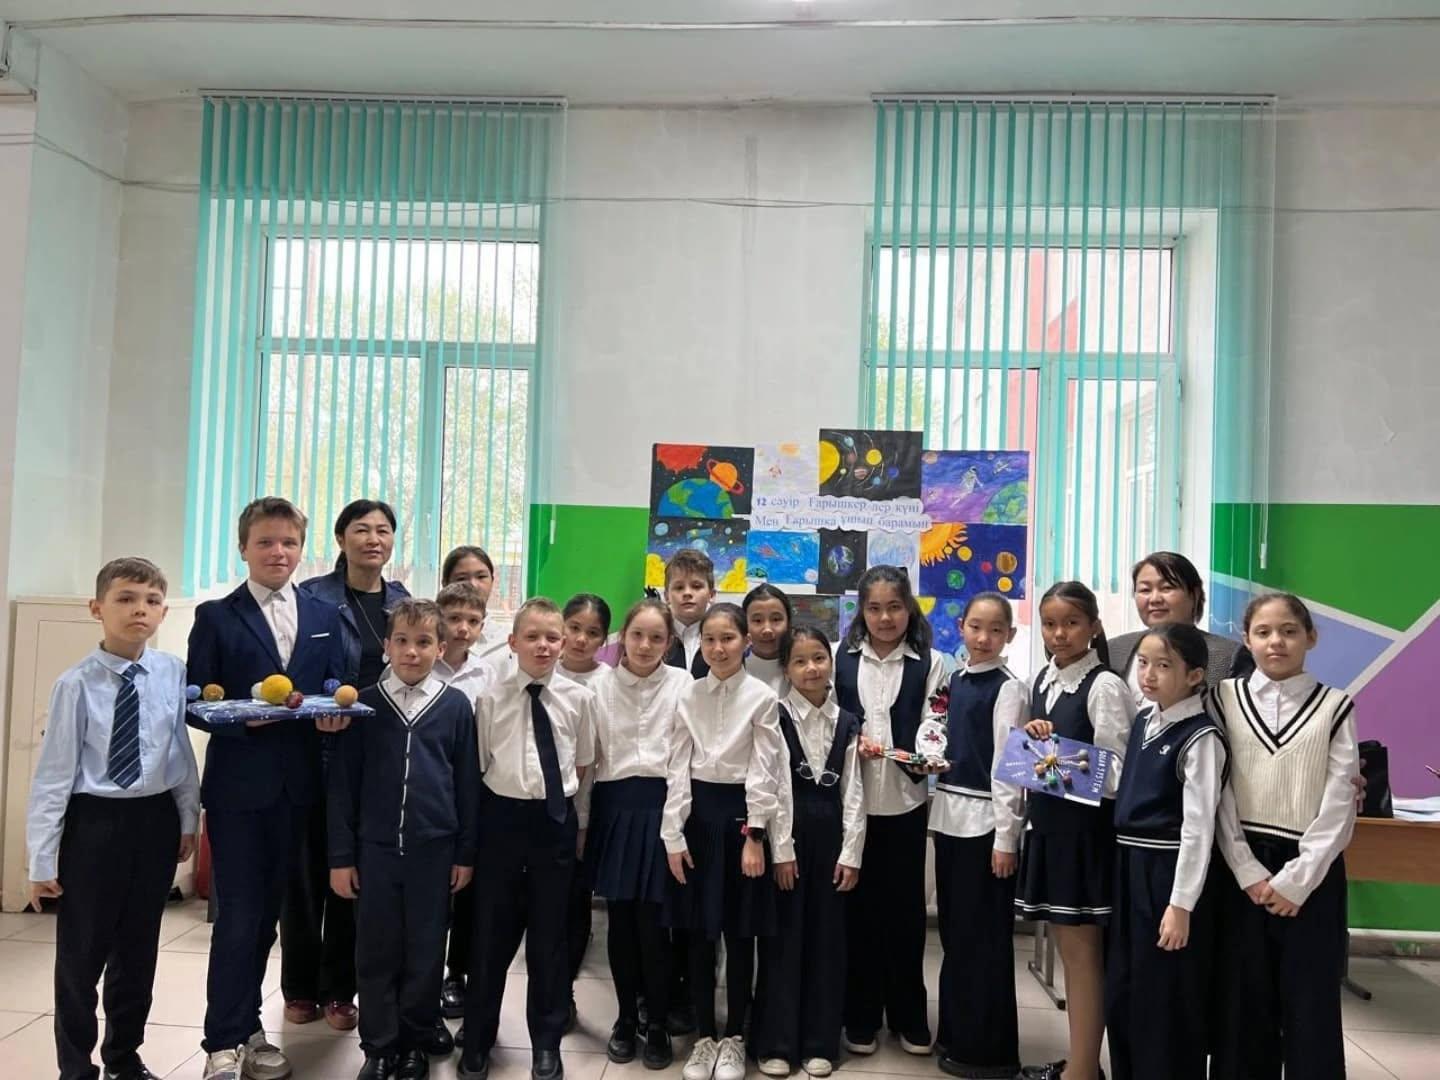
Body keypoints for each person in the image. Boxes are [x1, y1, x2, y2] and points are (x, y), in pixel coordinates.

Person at [185, 497, 348, 1080]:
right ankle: (221, 1042)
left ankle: (249, 1026)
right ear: (243, 548)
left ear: (302, 549)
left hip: (299, 790)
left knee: (267, 919)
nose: (278, 552)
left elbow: (331, 683)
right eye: (266, 542)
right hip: (239, 789)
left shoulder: (323, 611)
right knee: (238, 916)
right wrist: (240, 718)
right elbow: (195, 700)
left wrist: (334, 712)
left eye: (289, 543)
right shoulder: (216, 616)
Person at [26, 557, 200, 1080]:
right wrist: (41, 859)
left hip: (154, 819)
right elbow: (53, 776)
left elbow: (179, 751)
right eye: (125, 599)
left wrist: (187, 818)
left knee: (138, 950)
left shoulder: (171, 671)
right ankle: (76, 1067)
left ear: (163, 612)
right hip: (96, 824)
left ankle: (125, 1057)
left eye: (151, 601)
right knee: (82, 954)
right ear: (97, 608)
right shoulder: (75, 684)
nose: (138, 610)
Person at [329, 599, 480, 1080]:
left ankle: (414, 1040)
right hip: (374, 853)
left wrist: (464, 852)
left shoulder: (455, 706)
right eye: (402, 641)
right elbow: (343, 787)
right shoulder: (364, 705)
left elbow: (466, 785)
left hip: (434, 852)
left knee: (426, 951)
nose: (412, 652)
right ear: (386, 646)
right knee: (375, 952)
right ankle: (379, 1045)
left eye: (423, 642)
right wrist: (341, 856)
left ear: (441, 649)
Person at [1211, 594, 1358, 1080]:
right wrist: (1247, 869)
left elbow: (1340, 800)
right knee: (1241, 1003)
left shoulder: (1335, 706)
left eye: (1290, 631)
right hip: (1240, 868)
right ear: (1247, 639)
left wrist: (1299, 880)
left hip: (1311, 875)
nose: (1277, 641)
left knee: (1310, 1003)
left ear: (1311, 637)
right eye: (1264, 632)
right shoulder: (1223, 699)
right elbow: (1218, 792)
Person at [458, 599, 598, 1080]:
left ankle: (546, 1043)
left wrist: (574, 824)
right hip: (501, 821)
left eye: (552, 637)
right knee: (490, 938)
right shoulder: (490, 698)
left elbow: (582, 763)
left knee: (549, 939)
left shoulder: (579, 698)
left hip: (553, 823)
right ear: (512, 642)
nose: (543, 646)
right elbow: (480, 765)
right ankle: (477, 1039)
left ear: (563, 643)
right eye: (532, 637)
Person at [289, 499, 410, 1034]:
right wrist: (317, 708)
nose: (373, 539)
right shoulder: (311, 597)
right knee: (306, 870)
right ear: (341, 539)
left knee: (352, 872)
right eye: (362, 529)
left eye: (383, 530)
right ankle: (299, 986)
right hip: (315, 748)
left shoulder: (402, 601)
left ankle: (340, 989)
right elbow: (295, 669)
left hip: (374, 752)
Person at [1014, 581, 1134, 1080]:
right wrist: (1031, 743)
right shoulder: (1043, 679)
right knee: (1070, 953)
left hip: (1085, 838)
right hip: (1050, 831)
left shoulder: (1104, 686)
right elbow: (1030, 757)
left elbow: (1118, 775)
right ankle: (1080, 1064)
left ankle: (1083, 1070)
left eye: (1071, 623)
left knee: (1084, 958)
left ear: (1094, 627)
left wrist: (1047, 756)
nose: (1059, 633)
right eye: (1049, 624)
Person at [663, 604, 782, 1080]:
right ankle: (704, 1037)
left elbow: (765, 769)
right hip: (697, 820)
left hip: (741, 822)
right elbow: (677, 766)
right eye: (710, 640)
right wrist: (673, 834)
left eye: (728, 638)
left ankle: (734, 1036)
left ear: (745, 642)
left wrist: (755, 834)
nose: (718, 648)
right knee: (697, 933)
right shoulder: (688, 695)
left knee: (739, 932)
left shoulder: (762, 697)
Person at [1105, 624, 1227, 1080]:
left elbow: (1199, 829)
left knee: (1165, 996)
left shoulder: (1200, 737)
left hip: (1166, 874)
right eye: (1143, 663)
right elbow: (1118, 782)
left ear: (1194, 676)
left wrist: (1181, 905)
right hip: (1128, 866)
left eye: (1163, 665)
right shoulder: (1144, 720)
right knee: (1125, 988)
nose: (1149, 675)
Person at [836, 566, 948, 1058]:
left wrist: (925, 753)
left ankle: (908, 1014)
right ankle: (860, 1014)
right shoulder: (839, 658)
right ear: (861, 611)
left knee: (905, 915)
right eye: (874, 608)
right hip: (852, 806)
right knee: (857, 914)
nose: (885, 618)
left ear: (909, 609)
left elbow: (935, 723)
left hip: (906, 804)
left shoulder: (932, 662)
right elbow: (830, 720)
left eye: (894, 607)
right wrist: (851, 742)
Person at [755, 627, 865, 1079]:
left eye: (819, 658)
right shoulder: (775, 715)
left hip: (832, 839)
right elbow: (775, 785)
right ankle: (777, 1042)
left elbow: (854, 791)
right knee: (782, 940)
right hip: (790, 837)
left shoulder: (848, 721)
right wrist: (781, 851)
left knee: (828, 941)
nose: (811, 668)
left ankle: (821, 1041)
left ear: (831, 663)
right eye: (799, 661)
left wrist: (852, 853)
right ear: (785, 669)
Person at [585, 598, 690, 1070]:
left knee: (656, 925)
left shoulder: (683, 684)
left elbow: (685, 761)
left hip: (665, 810)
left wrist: (675, 827)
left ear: (669, 643)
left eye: (656, 637)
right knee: (621, 922)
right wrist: (584, 825)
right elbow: (590, 763)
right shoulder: (598, 687)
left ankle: (659, 1021)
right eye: (637, 635)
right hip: (615, 810)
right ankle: (626, 1018)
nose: (645, 645)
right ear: (622, 638)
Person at [930, 593, 1027, 1080]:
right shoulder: (956, 680)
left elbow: (1010, 768)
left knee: (983, 940)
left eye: (995, 629)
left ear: (1010, 634)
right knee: (956, 936)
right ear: (961, 628)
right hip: (950, 819)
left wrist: (1006, 839)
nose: (984, 638)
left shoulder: (1010, 688)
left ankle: (986, 1051)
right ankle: (955, 1033)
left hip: (986, 827)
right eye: (975, 627)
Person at [559, 594, 613, 1032]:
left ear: (604, 640)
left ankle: (564, 995)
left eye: (592, 633)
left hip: (586, 810)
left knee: (574, 906)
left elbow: (595, 761)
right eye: (574, 627)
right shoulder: (540, 668)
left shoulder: (607, 682)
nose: (580, 639)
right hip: (533, 812)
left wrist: (582, 822)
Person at [1107, 552, 1241, 702]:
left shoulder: (1229, 656)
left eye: (1166, 588)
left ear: (1195, 595)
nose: (1155, 599)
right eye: (1145, 590)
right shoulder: (1114, 649)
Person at [441, 546, 510, 661]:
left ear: (492, 581)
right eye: (461, 578)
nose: (473, 585)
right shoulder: (427, 637)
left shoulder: (507, 641)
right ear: (445, 583)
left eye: (481, 577)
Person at [434, 583, 496, 705]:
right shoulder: (421, 666)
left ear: (481, 627)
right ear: (437, 621)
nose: (463, 628)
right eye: (454, 618)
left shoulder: (485, 673)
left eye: (473, 621)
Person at [663, 549, 715, 679]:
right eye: (679, 587)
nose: (687, 593)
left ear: (711, 595)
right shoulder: (656, 636)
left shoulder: (722, 637)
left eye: (696, 586)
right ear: (666, 596)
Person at [743, 584, 792, 695]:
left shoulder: (805, 667)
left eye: (776, 619)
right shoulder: (734, 668)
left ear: (788, 623)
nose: (767, 630)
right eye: (757, 620)